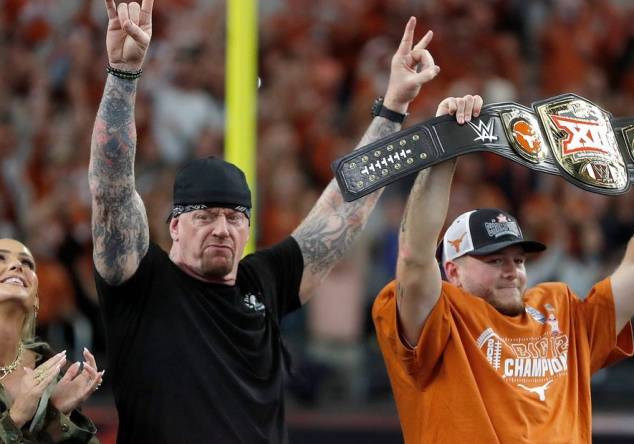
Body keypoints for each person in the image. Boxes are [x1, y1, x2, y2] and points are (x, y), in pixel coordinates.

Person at [89, 1, 440, 442]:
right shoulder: (141, 283)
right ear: (174, 226)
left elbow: (339, 211)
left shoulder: (263, 282)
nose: (221, 228)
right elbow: (111, 189)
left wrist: (392, 108)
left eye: (234, 217)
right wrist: (123, 75)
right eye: (204, 216)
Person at [372, 94, 634, 443]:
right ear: (452, 271)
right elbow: (414, 256)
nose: (511, 270)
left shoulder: (561, 310)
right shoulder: (440, 318)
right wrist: (443, 148)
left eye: (518, 260)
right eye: (494, 260)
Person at [0, 238, 102, 442]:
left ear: (36, 299)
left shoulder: (53, 371)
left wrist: (57, 414)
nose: (17, 265)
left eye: (27, 263)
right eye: (0, 258)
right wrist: (16, 417)